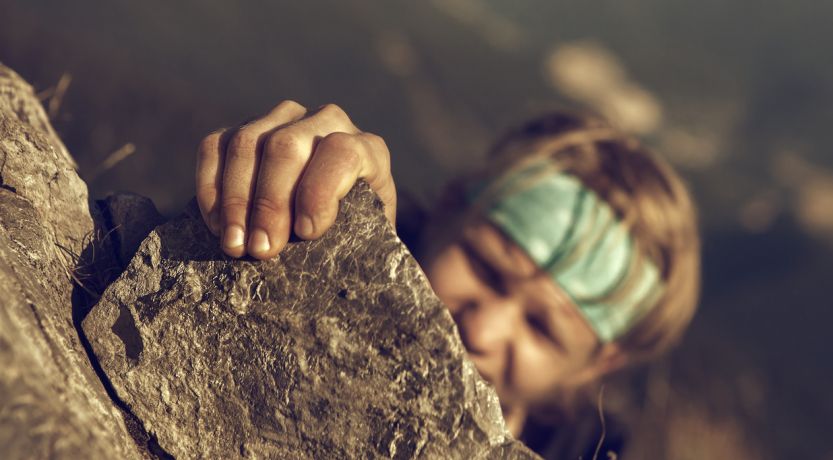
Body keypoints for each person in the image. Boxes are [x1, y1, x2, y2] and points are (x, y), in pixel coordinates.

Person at [195, 101, 700, 458]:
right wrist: (325, 226)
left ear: (596, 366)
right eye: (485, 268)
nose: (482, 331)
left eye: (543, 328)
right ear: (447, 209)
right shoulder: (320, 264)